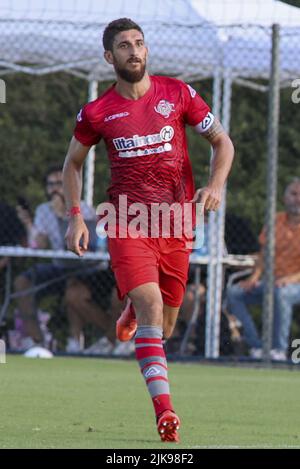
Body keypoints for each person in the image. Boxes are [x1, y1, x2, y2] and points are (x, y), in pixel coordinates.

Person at [62, 18, 234, 443]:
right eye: (124, 46)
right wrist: (76, 216)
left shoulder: (178, 93)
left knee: (166, 325)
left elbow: (222, 142)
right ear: (110, 57)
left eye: (139, 44)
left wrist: (214, 185)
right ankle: (165, 412)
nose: (134, 51)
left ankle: (132, 311)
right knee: (153, 307)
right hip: (126, 221)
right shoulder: (98, 112)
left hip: (176, 224)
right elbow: (73, 165)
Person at [14, 166, 113, 351]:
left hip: (84, 267)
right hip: (59, 266)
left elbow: (86, 243)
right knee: (22, 282)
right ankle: (37, 340)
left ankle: (110, 335)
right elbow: (40, 244)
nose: (55, 189)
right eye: (50, 184)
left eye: (59, 184)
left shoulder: (84, 209)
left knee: (73, 289)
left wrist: (64, 216)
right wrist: (28, 223)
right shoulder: (44, 210)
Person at [226, 179, 300, 361]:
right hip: (272, 282)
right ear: (284, 198)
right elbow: (263, 254)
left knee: (281, 294)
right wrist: (254, 278)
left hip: (294, 284)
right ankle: (257, 347)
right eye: (294, 194)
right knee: (235, 293)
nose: (298, 199)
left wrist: (290, 279)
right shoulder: (276, 220)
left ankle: (278, 351)